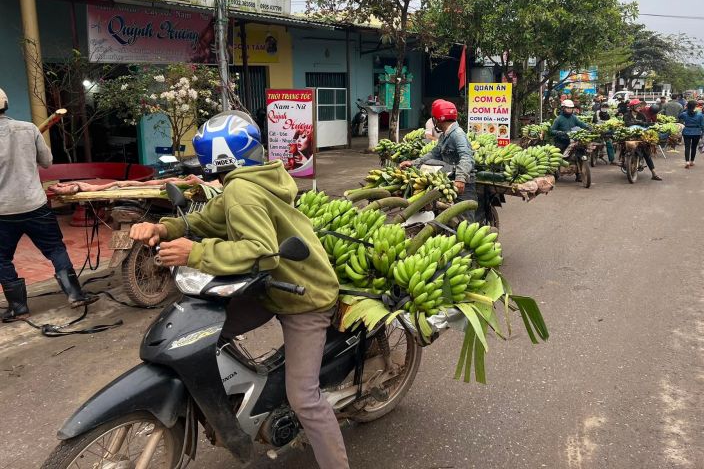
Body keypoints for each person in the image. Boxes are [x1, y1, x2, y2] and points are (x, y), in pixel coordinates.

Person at [129, 111, 348, 469]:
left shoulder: (242, 190)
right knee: (198, 336)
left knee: (304, 397)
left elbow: (259, 251)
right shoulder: (244, 181)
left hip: (302, 295)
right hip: (270, 287)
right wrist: (165, 228)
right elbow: (208, 218)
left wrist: (194, 251)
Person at [0, 89, 98, 320]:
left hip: (3, 211)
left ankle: (17, 306)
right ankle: (75, 294)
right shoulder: (29, 129)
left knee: (1, 258)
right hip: (35, 205)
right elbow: (46, 162)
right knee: (55, 249)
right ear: (7, 104)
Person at [401, 99, 476, 218]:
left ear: (438, 119)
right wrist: (413, 163)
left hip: (464, 182)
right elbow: (434, 154)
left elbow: (467, 157)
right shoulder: (445, 135)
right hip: (450, 178)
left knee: (465, 218)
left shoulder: (457, 134)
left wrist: (461, 178)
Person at [623, 99, 662, 181]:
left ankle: (654, 173)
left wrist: (639, 122)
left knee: (646, 153)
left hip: (641, 136)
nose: (639, 107)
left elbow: (646, 124)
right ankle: (625, 163)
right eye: (637, 106)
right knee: (625, 149)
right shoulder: (627, 115)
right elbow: (627, 124)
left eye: (639, 106)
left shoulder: (642, 115)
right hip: (629, 136)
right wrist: (639, 122)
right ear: (632, 107)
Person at [678, 101, 704, 168]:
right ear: (695, 107)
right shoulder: (700, 115)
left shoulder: (685, 114)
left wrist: (685, 109)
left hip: (687, 132)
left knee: (687, 147)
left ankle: (687, 162)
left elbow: (679, 116)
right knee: (694, 147)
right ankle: (692, 161)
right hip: (696, 132)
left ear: (687, 106)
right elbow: (703, 125)